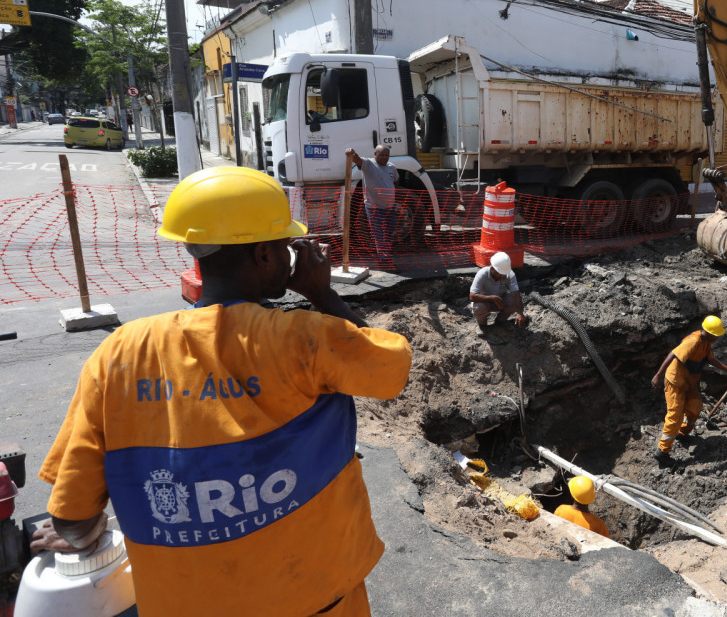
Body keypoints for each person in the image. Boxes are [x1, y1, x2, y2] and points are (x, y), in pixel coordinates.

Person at [34, 166, 412, 617]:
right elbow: (389, 369)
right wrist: (321, 294)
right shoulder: (307, 338)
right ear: (267, 257)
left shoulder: (118, 355)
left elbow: (73, 522)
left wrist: (84, 532)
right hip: (318, 599)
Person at [650, 315, 727, 466]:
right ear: (710, 333)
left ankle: (682, 433)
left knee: (695, 407)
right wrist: (658, 375)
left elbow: (711, 360)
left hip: (689, 382)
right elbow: (673, 354)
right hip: (675, 382)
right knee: (675, 416)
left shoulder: (706, 343)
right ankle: (662, 452)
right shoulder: (693, 341)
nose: (718, 338)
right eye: (717, 335)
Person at [346, 145, 400, 270]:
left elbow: (396, 181)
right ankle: (384, 260)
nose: (385, 157)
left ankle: (385, 255)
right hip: (374, 207)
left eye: (387, 155)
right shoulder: (368, 164)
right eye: (382, 155)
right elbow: (357, 159)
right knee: (379, 234)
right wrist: (351, 153)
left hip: (390, 207)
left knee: (388, 232)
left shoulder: (392, 167)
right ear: (375, 154)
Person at [469, 251, 527, 336]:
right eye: (500, 274)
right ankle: (482, 325)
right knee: (478, 307)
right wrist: (493, 298)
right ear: (492, 269)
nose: (503, 276)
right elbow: (472, 296)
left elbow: (516, 294)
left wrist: (520, 313)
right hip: (484, 302)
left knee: (514, 301)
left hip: (501, 302)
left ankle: (501, 320)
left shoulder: (509, 274)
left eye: (504, 274)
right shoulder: (482, 274)